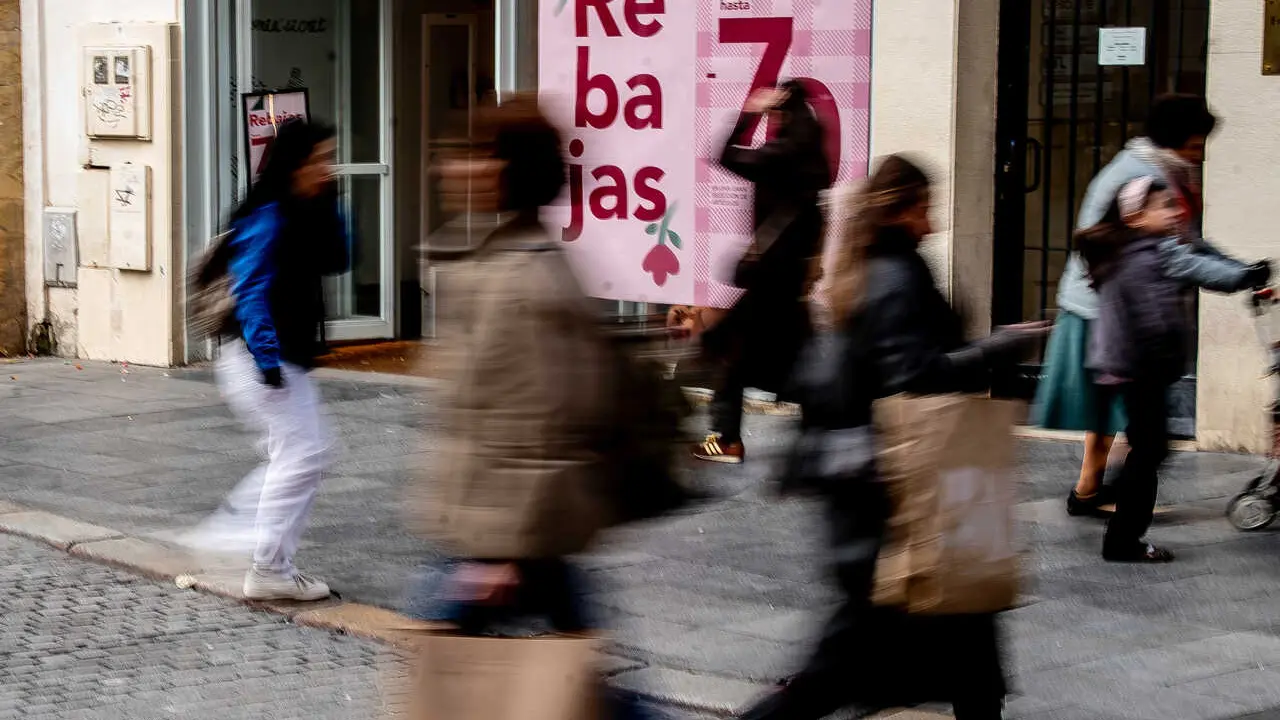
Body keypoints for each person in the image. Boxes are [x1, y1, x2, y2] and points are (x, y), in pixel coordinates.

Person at [741, 155, 1045, 720]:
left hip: (883, 480)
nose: (931, 224)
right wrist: (1001, 347)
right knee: (852, 657)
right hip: (893, 488)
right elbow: (916, 376)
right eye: (924, 209)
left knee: (963, 636)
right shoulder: (897, 276)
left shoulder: (869, 269)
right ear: (901, 210)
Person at [408, 95, 667, 718]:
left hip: (505, 531)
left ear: (505, 170)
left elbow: (545, 422)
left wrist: (502, 553)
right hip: (498, 525)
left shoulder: (523, 279)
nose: (451, 168)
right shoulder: (496, 261)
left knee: (482, 679)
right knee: (579, 680)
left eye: (472, 155)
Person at [1035, 94, 1271, 518]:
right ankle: (1116, 503)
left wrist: (1238, 268)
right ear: (1175, 140)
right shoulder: (1142, 177)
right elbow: (1176, 252)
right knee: (1132, 417)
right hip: (1108, 310)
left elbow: (1188, 242)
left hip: (1115, 308)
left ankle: (1091, 490)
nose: (1201, 154)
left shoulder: (1166, 172)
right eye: (1197, 145)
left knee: (1114, 410)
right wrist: (1238, 275)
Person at [184, 120, 349, 601]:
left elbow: (341, 256)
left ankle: (251, 547)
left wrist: (330, 200)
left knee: (304, 454)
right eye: (321, 158)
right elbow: (251, 290)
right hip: (257, 357)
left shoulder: (303, 211)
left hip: (276, 357)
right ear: (296, 164)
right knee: (303, 454)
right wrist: (268, 361)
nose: (329, 166)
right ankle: (265, 563)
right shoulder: (269, 216)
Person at [695, 80, 832, 464]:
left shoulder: (778, 155)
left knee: (733, 352)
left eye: (774, 111)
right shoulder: (813, 159)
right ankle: (818, 434)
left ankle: (727, 440)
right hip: (789, 281)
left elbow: (723, 155)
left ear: (781, 113)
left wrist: (748, 114)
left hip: (769, 280)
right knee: (792, 358)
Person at [1077, 178, 1204, 562]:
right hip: (1140, 367)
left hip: (1135, 367)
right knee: (1150, 449)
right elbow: (1153, 322)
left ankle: (1120, 509)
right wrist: (1166, 358)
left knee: (1149, 448)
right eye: (1164, 206)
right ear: (1136, 217)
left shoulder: (1142, 251)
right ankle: (1122, 538)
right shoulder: (1138, 258)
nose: (1174, 212)